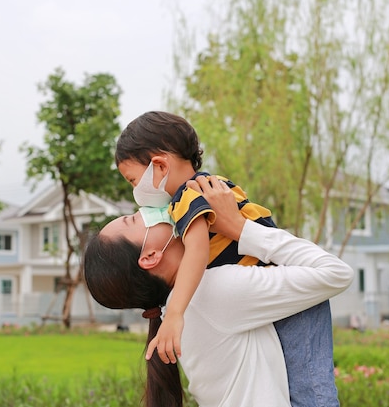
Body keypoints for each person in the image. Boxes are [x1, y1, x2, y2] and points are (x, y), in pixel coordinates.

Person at [115, 111, 340, 407]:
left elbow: (197, 250)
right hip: (278, 277)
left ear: (159, 165)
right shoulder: (209, 183)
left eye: (133, 180)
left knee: (310, 390)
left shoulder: (187, 199)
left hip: (283, 288)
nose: (136, 192)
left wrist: (176, 313)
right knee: (307, 383)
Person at [84, 175, 354, 407]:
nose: (148, 210)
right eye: (134, 218)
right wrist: (239, 227)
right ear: (150, 256)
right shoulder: (211, 292)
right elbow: (335, 272)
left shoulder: (178, 310)